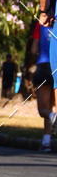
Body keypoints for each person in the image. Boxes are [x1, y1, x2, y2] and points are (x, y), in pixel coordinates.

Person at [30, 21, 56, 152]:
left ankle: (46, 140)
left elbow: (34, 49)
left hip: (44, 66)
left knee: (43, 110)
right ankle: (46, 142)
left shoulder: (40, 25)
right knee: (51, 108)